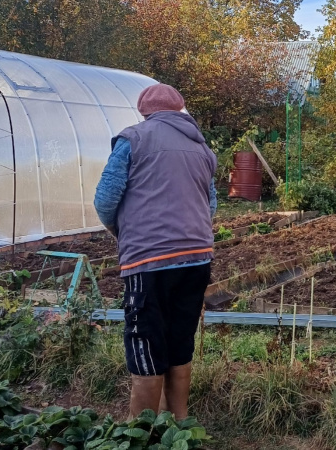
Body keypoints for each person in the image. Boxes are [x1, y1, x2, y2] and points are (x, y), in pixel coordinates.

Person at [93, 83, 217, 419]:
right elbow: (210, 205)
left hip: (150, 259)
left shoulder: (133, 139)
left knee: (144, 343)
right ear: (179, 109)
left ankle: (140, 433)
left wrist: (122, 231)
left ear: (144, 111)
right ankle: (178, 423)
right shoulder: (202, 147)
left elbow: (106, 199)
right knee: (180, 340)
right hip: (197, 257)